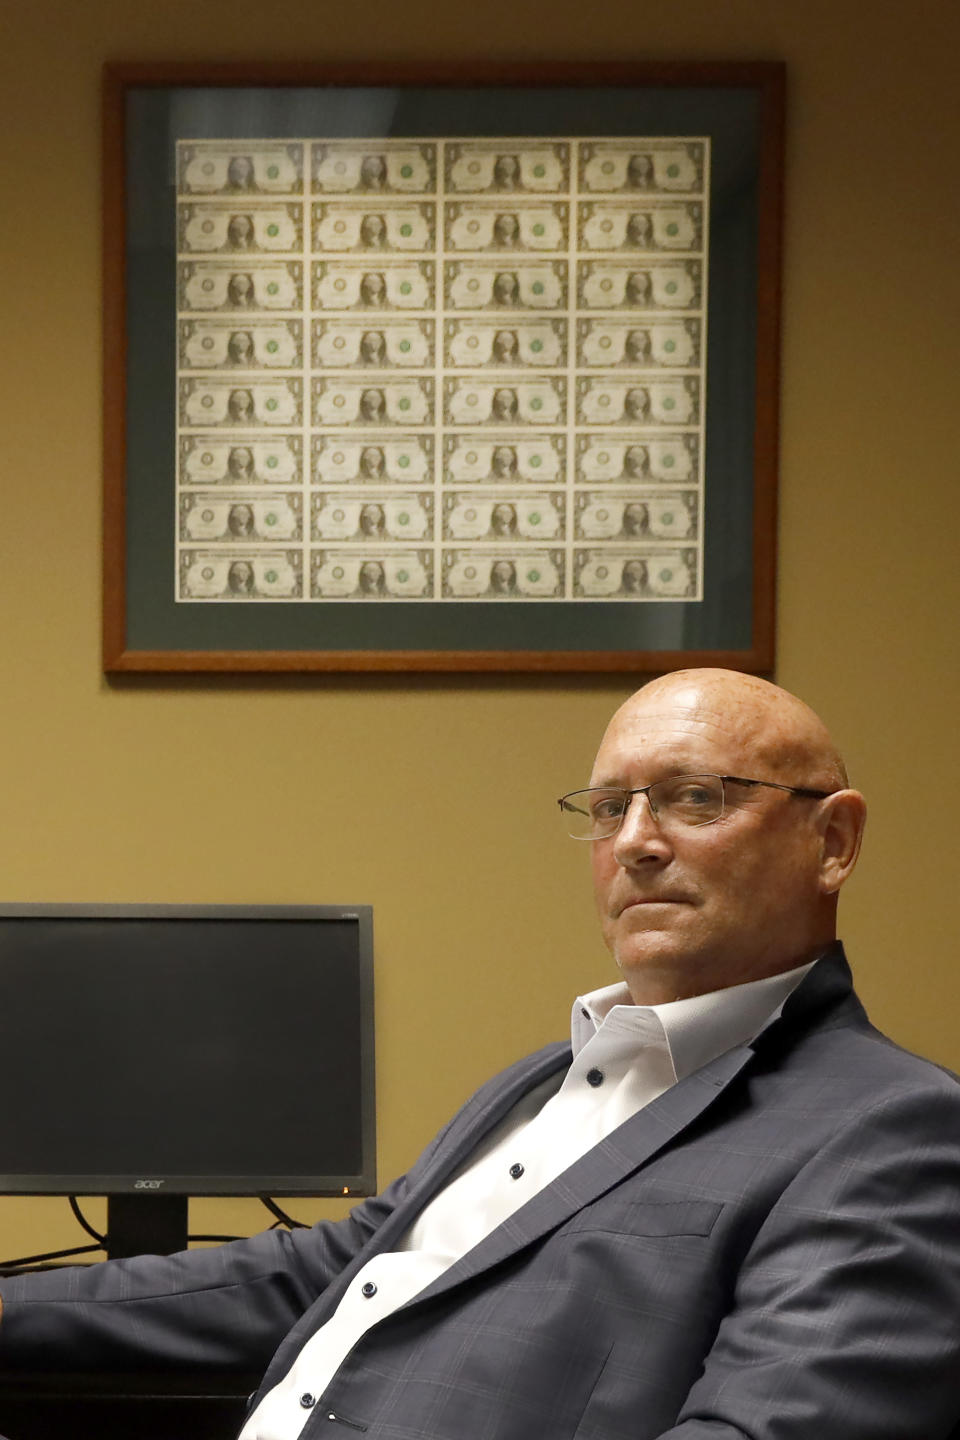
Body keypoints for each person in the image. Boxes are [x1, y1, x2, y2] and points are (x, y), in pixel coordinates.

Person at [1, 672, 959, 1440]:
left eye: (694, 799)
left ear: (833, 840)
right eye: (609, 806)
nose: (634, 843)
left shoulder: (889, 1132)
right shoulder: (538, 1084)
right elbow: (322, 1271)